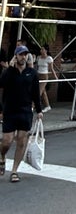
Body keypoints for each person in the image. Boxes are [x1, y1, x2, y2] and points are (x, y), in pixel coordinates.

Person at [0, 45, 43, 182]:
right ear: (16, 56)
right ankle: (2, 156)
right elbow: (1, 84)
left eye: (25, 54)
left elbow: (36, 93)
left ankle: (14, 171)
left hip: (25, 111)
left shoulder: (32, 73)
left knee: (21, 141)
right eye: (20, 54)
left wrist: (39, 110)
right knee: (7, 141)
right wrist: (9, 68)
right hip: (10, 110)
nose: (23, 57)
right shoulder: (9, 72)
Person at [36, 45, 57, 112]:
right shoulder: (38, 57)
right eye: (41, 49)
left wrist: (55, 77)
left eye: (42, 49)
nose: (41, 50)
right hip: (38, 75)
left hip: (44, 76)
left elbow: (51, 69)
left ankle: (33, 106)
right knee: (43, 92)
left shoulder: (49, 58)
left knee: (38, 92)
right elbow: (37, 67)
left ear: (46, 50)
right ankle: (48, 106)